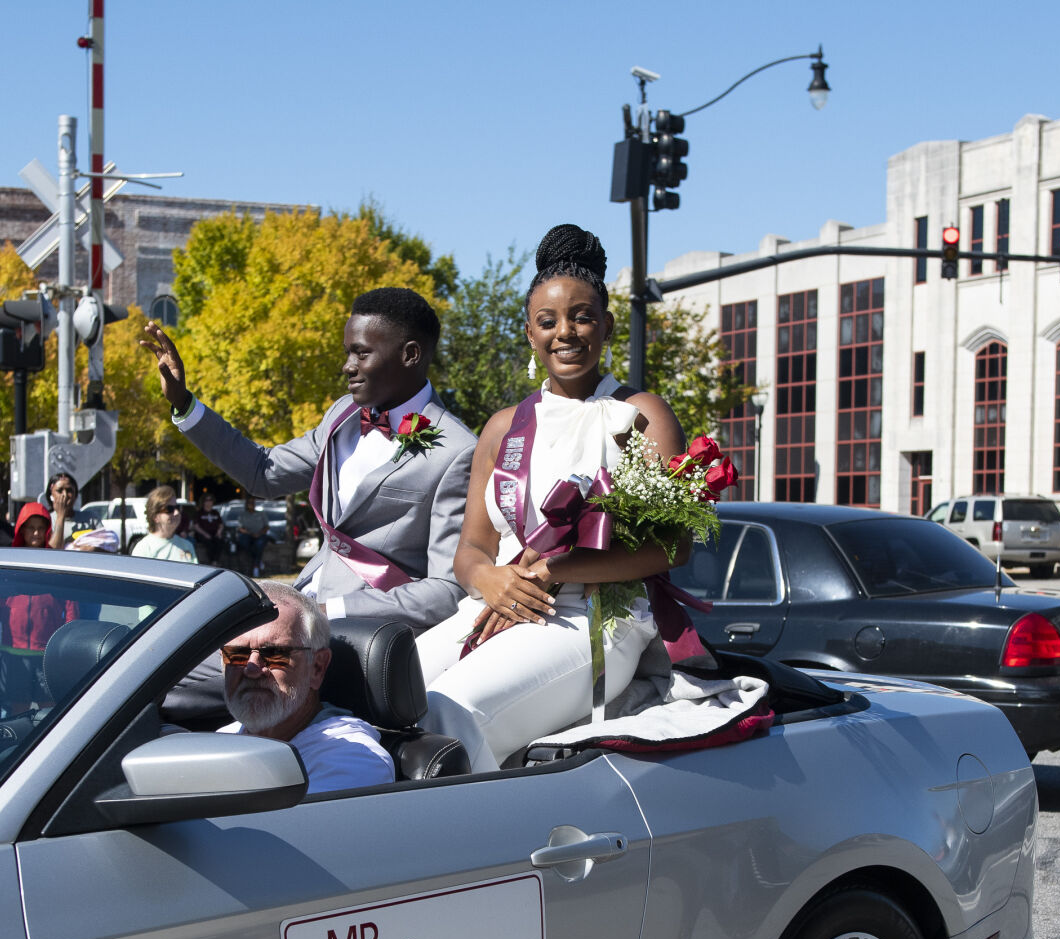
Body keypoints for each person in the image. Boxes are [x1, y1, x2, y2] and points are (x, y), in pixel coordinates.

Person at [414, 225, 684, 772]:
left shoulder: (642, 414)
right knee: (380, 693)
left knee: (450, 711)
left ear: (607, 325)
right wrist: (488, 579)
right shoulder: (502, 428)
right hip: (495, 604)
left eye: (582, 317)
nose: (566, 333)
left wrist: (553, 570)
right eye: (548, 321)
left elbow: (673, 546)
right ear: (530, 333)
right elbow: (470, 548)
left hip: (595, 618)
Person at [141, 287, 476, 630]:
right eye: (347, 353)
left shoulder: (458, 451)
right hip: (300, 605)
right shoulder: (342, 414)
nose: (347, 367)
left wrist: (330, 611)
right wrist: (184, 404)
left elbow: (446, 591)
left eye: (361, 353)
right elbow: (263, 472)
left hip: (367, 632)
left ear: (410, 354)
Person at [216, 580, 393, 795]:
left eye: (274, 653)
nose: (251, 669)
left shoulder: (355, 761)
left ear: (317, 668)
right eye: (237, 654)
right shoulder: (221, 740)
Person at [0, 503, 79, 712]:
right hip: (13, 650)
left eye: (41, 528)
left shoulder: (54, 563)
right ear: (21, 530)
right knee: (18, 708)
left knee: (49, 708)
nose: (36, 533)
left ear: (48, 530)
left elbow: (70, 602)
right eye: (31, 528)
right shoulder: (11, 563)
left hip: (46, 651)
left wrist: (69, 640)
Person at [130, 486, 197, 563]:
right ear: (155, 517)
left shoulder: (187, 545)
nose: (176, 512)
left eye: (177, 507)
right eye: (169, 509)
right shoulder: (143, 548)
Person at [235, 495, 271, 576]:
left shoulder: (261, 513)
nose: (252, 504)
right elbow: (240, 528)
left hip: (260, 535)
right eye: (250, 502)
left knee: (260, 544)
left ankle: (256, 566)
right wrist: (250, 533)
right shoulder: (243, 515)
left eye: (253, 502)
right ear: (247, 504)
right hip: (248, 535)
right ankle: (257, 561)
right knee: (244, 542)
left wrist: (259, 534)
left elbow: (267, 527)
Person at [44, 470, 80, 549]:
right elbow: (53, 550)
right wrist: (61, 515)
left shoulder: (91, 518)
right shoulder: (46, 520)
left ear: (75, 494)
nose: (65, 495)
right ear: (51, 495)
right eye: (59, 491)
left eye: (69, 490)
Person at [190, 493, 226, 566]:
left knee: (220, 542)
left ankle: (215, 561)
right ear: (203, 502)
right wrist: (205, 534)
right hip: (202, 534)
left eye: (210, 500)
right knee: (208, 543)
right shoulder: (199, 513)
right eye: (207, 500)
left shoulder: (215, 512)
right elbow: (196, 526)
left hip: (214, 533)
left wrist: (219, 532)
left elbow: (221, 524)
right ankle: (212, 562)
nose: (209, 502)